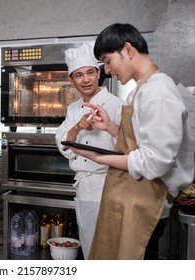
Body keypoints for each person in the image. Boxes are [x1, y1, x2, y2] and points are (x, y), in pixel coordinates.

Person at [70, 23, 194, 259]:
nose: (106, 70)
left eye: (107, 61)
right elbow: (145, 141)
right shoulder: (142, 89)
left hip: (148, 201)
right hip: (137, 197)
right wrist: (111, 128)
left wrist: (98, 157)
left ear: (127, 50)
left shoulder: (158, 91)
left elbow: (154, 163)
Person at [55, 43, 125, 259]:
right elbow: (63, 142)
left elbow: (129, 146)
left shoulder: (116, 105)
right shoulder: (73, 108)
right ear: (71, 80)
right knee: (89, 244)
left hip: (109, 184)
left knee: (109, 247)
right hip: (84, 185)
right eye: (78, 75)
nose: (85, 80)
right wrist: (77, 127)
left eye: (89, 73)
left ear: (98, 73)